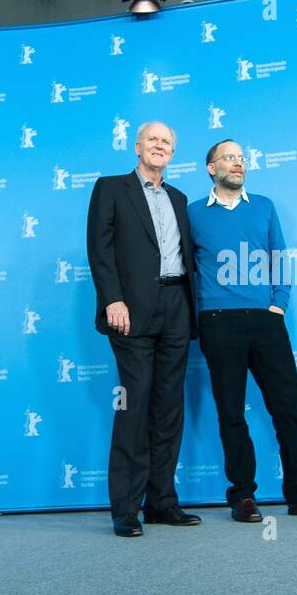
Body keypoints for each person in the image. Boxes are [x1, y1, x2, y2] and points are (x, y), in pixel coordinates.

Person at [189, 139, 297, 522]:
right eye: (229, 158)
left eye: (242, 158)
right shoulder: (192, 213)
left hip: (265, 320)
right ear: (211, 168)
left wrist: (278, 304)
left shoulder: (264, 207)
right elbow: (183, 268)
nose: (238, 163)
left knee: (288, 409)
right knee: (231, 413)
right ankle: (242, 497)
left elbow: (280, 257)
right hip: (218, 321)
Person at [86, 121, 202, 537]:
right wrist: (112, 299)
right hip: (130, 310)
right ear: (137, 146)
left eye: (167, 142)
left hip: (176, 307)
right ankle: (125, 508)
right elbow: (100, 250)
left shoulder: (179, 198)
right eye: (152, 139)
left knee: (169, 409)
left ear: (172, 153)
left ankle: (161, 503)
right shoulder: (111, 188)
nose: (159, 146)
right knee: (133, 407)